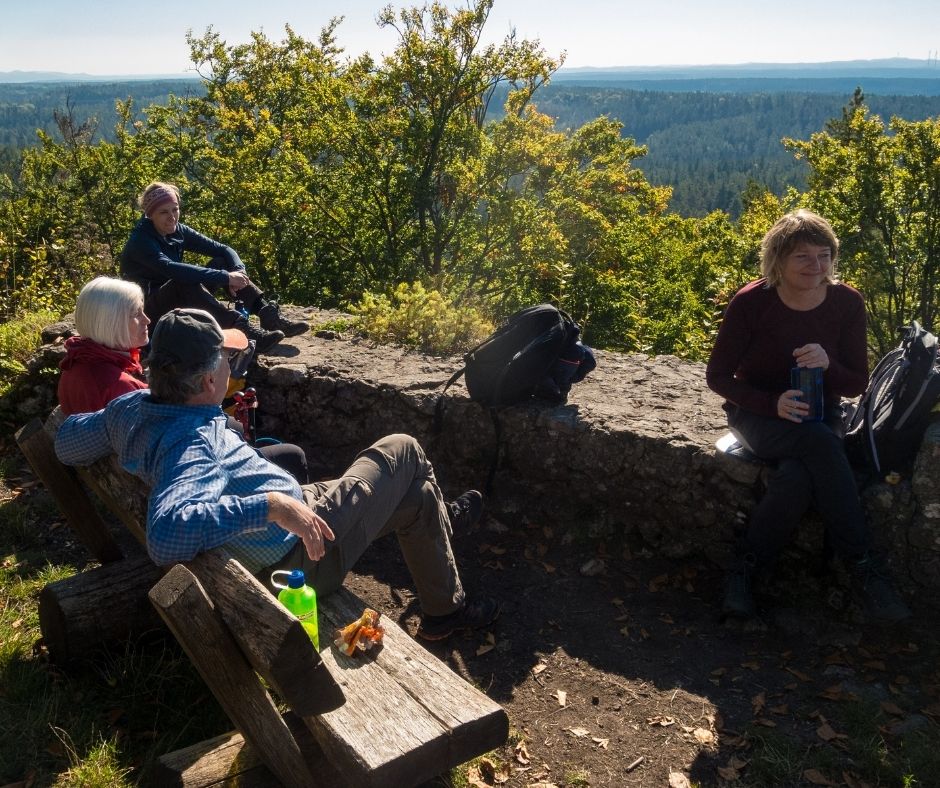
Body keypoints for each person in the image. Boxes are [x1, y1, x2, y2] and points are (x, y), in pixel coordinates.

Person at [54, 308, 497, 641]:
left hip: (277, 529)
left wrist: (114, 427)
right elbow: (165, 535)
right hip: (299, 559)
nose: (232, 362)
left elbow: (66, 441)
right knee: (404, 448)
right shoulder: (193, 443)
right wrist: (274, 506)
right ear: (209, 383)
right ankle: (446, 526)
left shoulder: (131, 408)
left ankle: (444, 605)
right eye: (226, 358)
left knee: (416, 500)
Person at [706, 209, 910, 623]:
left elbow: (855, 384)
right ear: (778, 259)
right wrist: (771, 404)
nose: (816, 267)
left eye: (825, 255)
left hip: (822, 410)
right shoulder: (752, 303)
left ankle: (745, 569)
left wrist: (828, 364)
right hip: (756, 414)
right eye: (802, 256)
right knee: (820, 443)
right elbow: (717, 377)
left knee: (799, 474)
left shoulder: (846, 302)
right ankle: (866, 569)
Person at [58, 277, 309, 484]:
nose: (147, 319)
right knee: (292, 457)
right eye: (137, 314)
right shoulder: (122, 388)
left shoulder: (77, 364)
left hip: (134, 479)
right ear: (112, 324)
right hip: (182, 480)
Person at [120, 181, 308, 355]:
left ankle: (267, 315)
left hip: (178, 298)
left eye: (175, 209)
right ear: (150, 214)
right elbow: (171, 269)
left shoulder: (177, 230)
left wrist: (237, 272)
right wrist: (225, 278)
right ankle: (243, 329)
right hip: (148, 314)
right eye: (164, 212)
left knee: (220, 262)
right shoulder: (141, 241)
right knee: (184, 281)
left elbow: (224, 249)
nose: (172, 217)